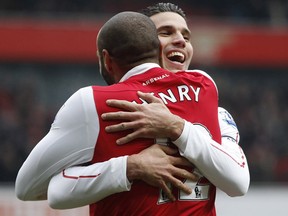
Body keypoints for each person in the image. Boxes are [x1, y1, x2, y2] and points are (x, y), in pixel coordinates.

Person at [16, 11, 223, 215]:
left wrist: (129, 166)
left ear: (106, 59)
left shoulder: (94, 102)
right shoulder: (204, 86)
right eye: (167, 32)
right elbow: (238, 183)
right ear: (158, 51)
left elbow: (26, 188)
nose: (179, 40)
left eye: (185, 36)